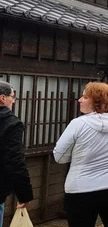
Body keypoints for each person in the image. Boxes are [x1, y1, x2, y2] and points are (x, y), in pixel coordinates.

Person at [54, 82, 108, 227]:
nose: (80, 100)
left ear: (97, 101)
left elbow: (59, 156)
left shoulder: (78, 124)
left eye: (84, 97)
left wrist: (78, 157)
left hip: (81, 188)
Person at [0, 82, 33, 227]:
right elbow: (14, 160)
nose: (13, 101)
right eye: (13, 97)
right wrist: (24, 194)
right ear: (2, 98)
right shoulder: (10, 124)